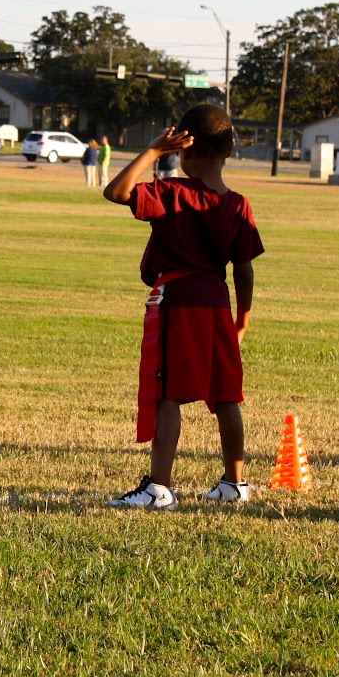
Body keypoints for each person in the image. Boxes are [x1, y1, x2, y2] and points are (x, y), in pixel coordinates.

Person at [102, 105, 264, 510]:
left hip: (179, 304)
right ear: (229, 150)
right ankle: (234, 482)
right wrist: (242, 319)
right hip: (218, 306)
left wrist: (154, 152)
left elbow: (116, 191)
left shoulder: (172, 192)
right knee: (226, 397)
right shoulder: (239, 205)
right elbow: (243, 273)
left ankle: (159, 488)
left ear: (184, 148)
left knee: (168, 395)